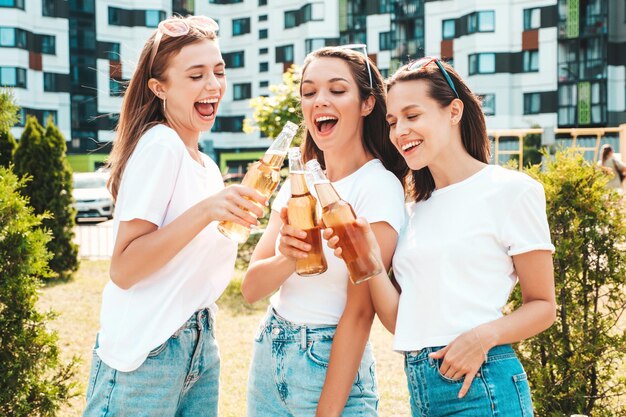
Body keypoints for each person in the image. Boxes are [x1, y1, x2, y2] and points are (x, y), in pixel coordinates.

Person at [325, 57, 556, 416]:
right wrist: (368, 263)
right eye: (392, 121)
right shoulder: (412, 209)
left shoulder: (511, 190)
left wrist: (483, 337)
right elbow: (402, 323)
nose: (400, 131)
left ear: (454, 111)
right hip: (421, 388)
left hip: (483, 384)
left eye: (412, 116)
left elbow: (543, 306)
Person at [83, 15, 266, 417]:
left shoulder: (206, 165)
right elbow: (125, 269)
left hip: (200, 345)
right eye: (196, 75)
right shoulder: (160, 145)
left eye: (218, 71)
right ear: (159, 87)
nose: (213, 85)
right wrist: (206, 211)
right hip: (147, 354)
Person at [241, 46, 406, 417]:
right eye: (309, 91)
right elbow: (251, 289)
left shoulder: (377, 187)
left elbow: (360, 313)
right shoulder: (295, 185)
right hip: (270, 351)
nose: (320, 101)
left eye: (337, 90)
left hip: (329, 361)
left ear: (366, 103)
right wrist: (288, 257)